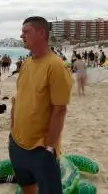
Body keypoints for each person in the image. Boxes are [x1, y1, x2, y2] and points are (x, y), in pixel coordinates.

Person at [9, 17, 73, 194]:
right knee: (27, 187)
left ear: (41, 33)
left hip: (40, 148)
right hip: (17, 142)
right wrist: (12, 133)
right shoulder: (26, 63)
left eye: (26, 31)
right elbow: (19, 98)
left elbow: (60, 110)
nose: (21, 35)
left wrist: (49, 148)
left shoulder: (56, 66)